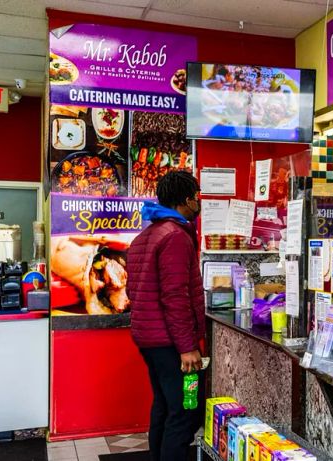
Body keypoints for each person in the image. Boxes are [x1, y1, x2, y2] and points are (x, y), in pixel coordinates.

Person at [127, 171, 205, 461]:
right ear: (187, 200)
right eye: (197, 196)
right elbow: (175, 296)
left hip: (150, 339)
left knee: (164, 405)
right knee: (185, 412)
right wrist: (187, 347)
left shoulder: (144, 236)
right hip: (171, 343)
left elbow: (134, 289)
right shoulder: (175, 236)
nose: (199, 201)